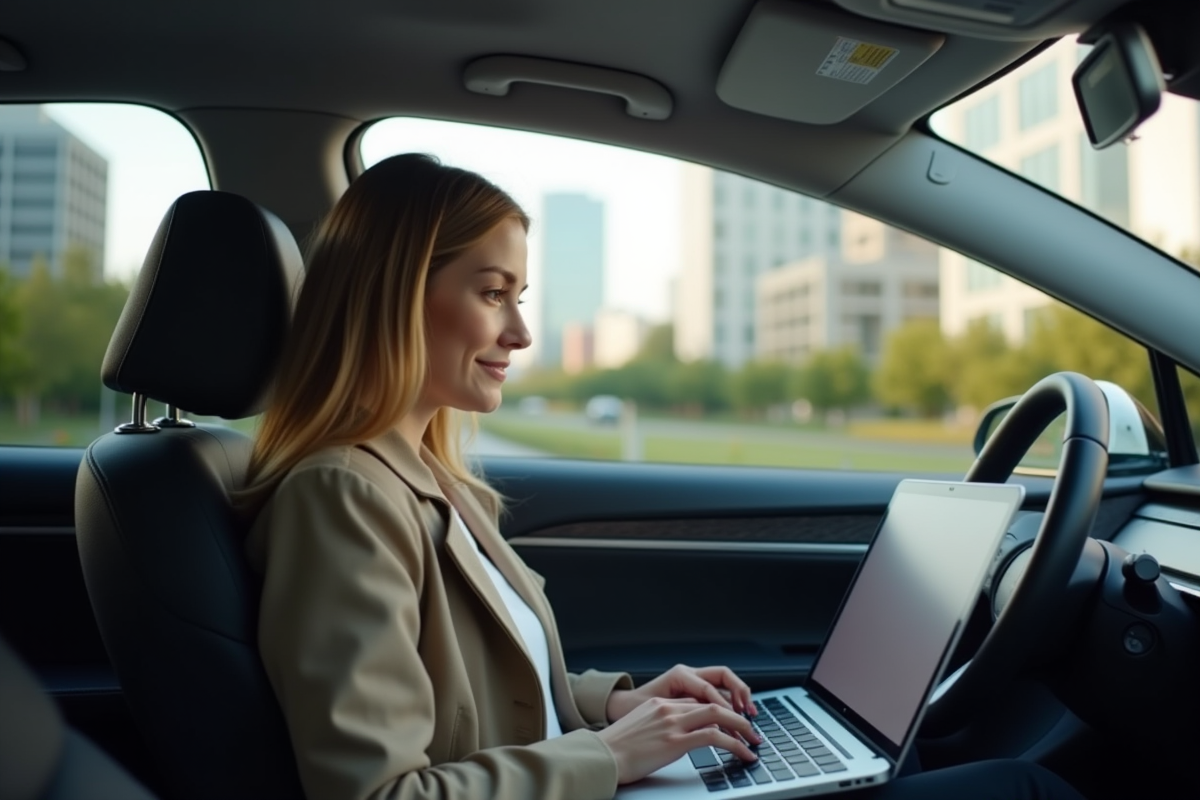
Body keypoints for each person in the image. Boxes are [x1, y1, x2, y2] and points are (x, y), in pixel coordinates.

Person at [240, 153, 1087, 800]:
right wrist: (614, 755)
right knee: (1019, 786)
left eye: (520, 294)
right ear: (395, 297)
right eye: (494, 293)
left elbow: (488, 692)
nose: (522, 332)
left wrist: (622, 705)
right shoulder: (342, 497)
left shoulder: (426, 476)